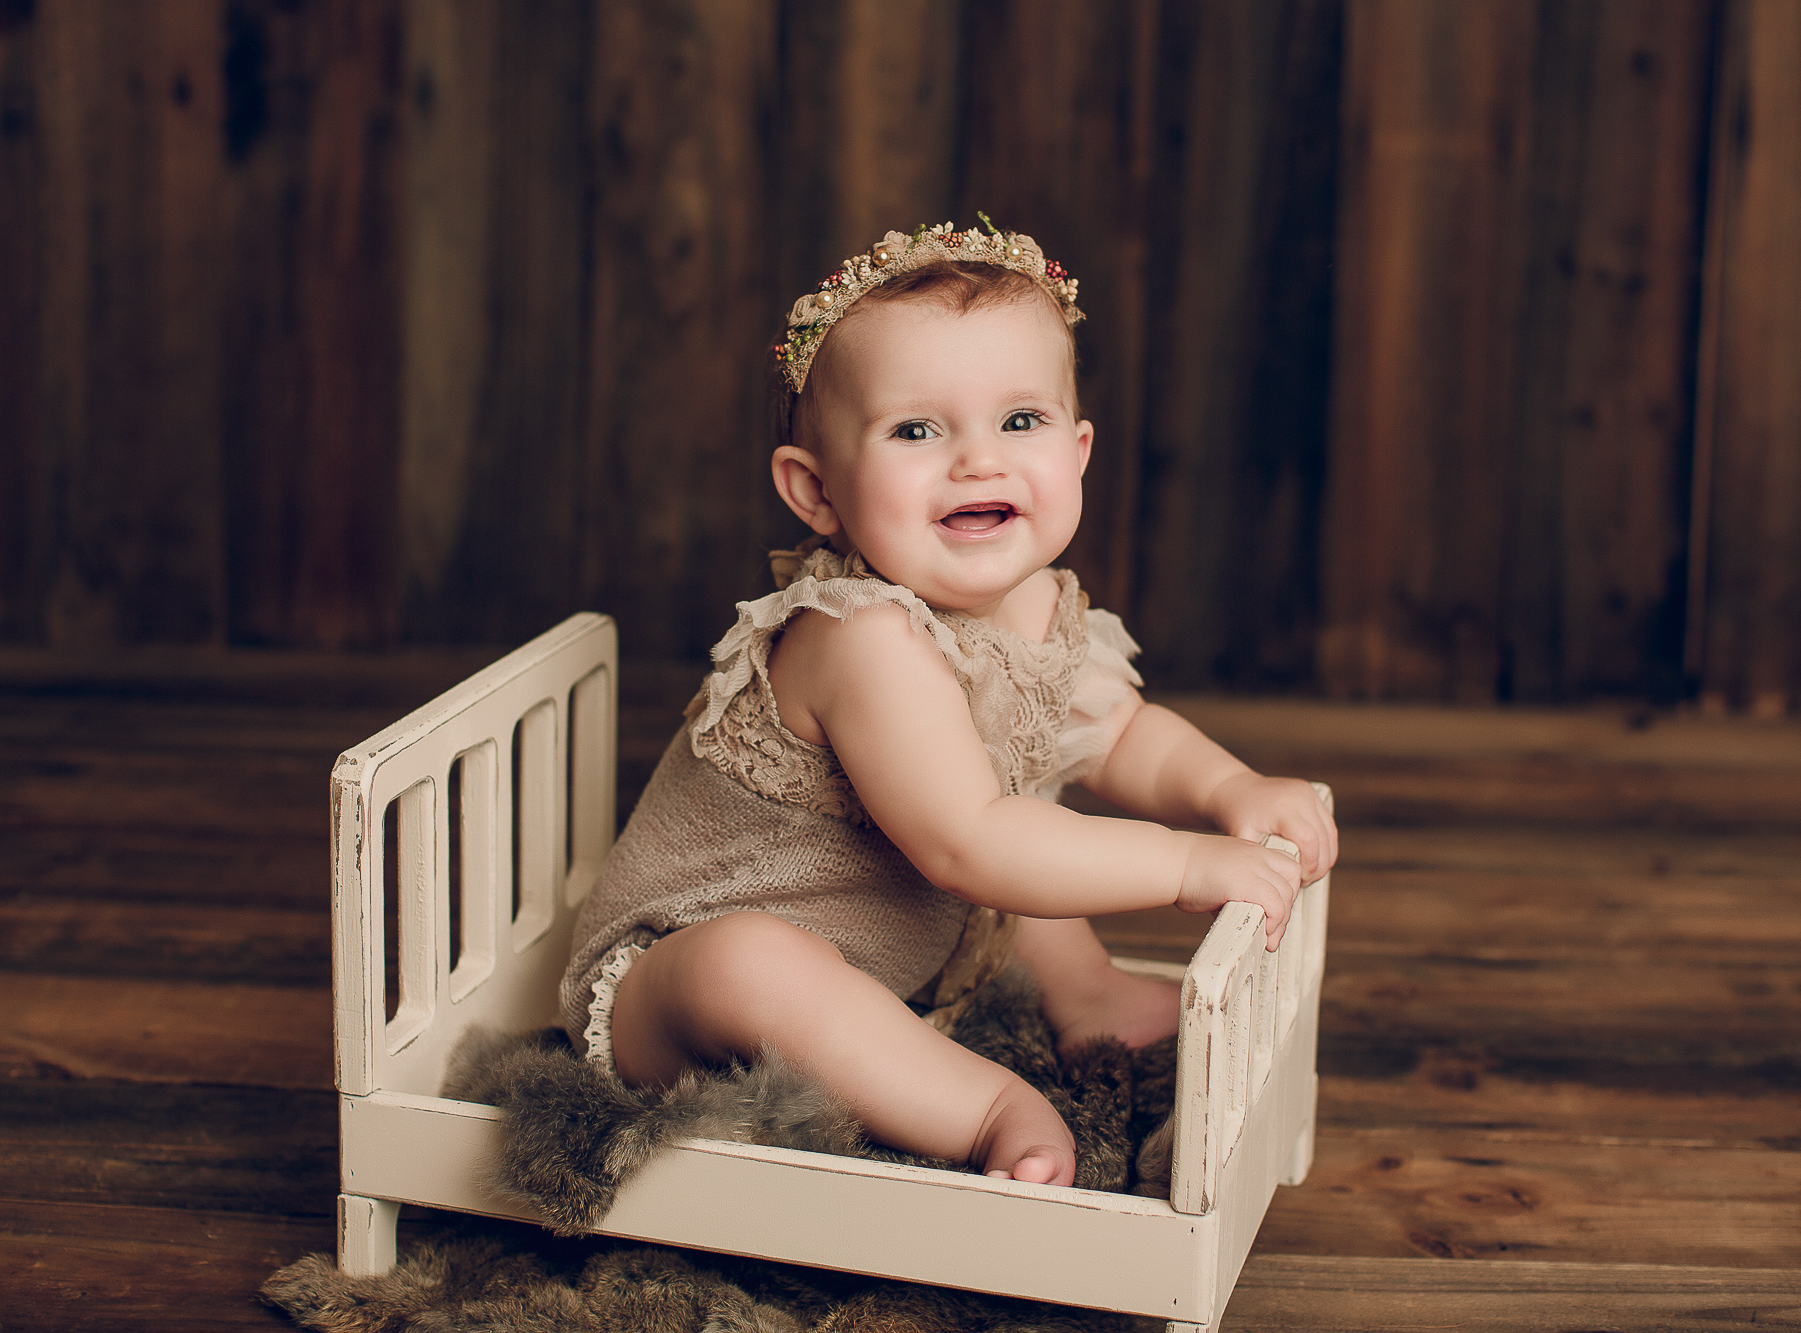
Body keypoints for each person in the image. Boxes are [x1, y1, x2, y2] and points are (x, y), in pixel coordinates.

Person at [560, 220, 1337, 1188]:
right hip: (677, 985)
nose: (977, 460)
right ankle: (983, 1110)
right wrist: (1184, 862)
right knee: (768, 953)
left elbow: (1120, 732)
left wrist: (1228, 789)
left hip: (880, 953)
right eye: (916, 430)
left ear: (1078, 449)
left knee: (1028, 789)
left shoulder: (1036, 604)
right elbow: (965, 840)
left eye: (1019, 421)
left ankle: (1083, 984)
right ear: (816, 492)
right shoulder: (856, 635)